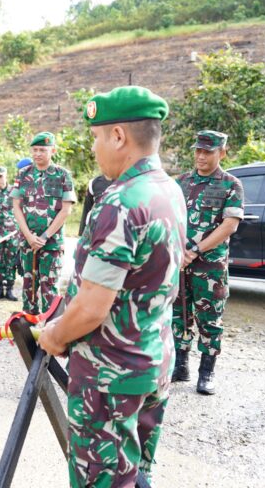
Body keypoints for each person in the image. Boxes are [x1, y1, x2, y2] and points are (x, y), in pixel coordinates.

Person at [39, 86, 187, 486]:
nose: (94, 147)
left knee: (102, 480)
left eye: (96, 136)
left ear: (118, 136)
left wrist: (54, 335)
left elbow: (91, 308)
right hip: (153, 361)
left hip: (110, 376)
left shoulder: (121, 201)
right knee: (137, 474)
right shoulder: (169, 190)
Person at [171, 130, 243, 395]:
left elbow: (229, 225)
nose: (201, 156)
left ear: (222, 153)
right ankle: (180, 366)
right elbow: (171, 217)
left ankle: (207, 372)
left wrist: (196, 250)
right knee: (178, 314)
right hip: (180, 263)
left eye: (208, 152)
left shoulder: (231, 184)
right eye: (198, 150)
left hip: (210, 267)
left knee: (209, 318)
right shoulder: (181, 182)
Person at [11, 132, 75, 315]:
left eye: (42, 150)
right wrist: (29, 237)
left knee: (50, 288)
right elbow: (16, 206)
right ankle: (29, 333)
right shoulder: (23, 174)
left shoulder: (63, 175)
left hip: (52, 244)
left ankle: (51, 331)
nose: (38, 153)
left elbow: (66, 210)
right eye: (35, 150)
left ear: (52, 151)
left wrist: (45, 237)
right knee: (28, 287)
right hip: (28, 243)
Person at [0, 166, 19, 301]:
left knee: (11, 262)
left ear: (6, 176)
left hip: (12, 233)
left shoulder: (14, 191)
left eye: (0, 176)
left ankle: (10, 289)